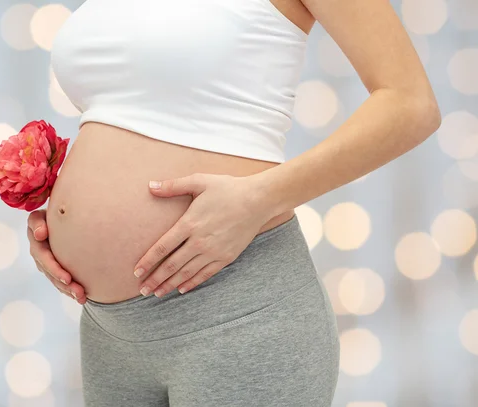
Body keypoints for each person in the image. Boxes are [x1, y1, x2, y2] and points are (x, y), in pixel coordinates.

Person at [26, 0, 441, 405]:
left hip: (236, 312)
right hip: (109, 331)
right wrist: (65, 218)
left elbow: (410, 103)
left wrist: (260, 197)